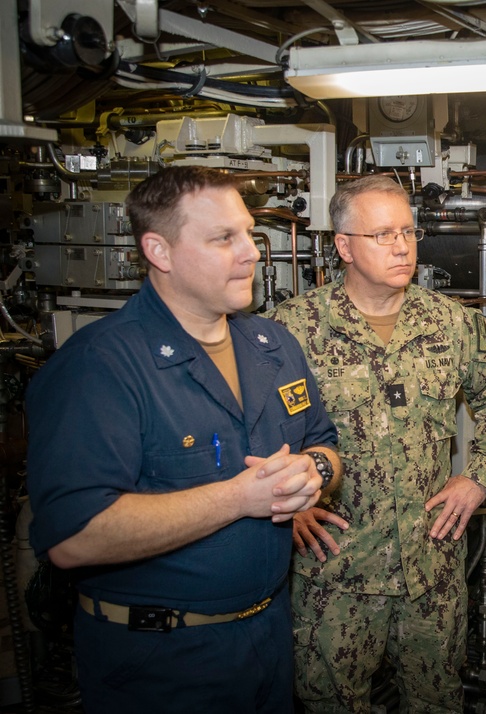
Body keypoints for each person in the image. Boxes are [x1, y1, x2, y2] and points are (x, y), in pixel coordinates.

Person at [26, 165, 342, 714]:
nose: (251, 252)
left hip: (268, 639)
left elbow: (325, 445)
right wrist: (239, 498)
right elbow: (73, 538)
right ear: (160, 251)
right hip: (160, 660)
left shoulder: (272, 343)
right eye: (224, 238)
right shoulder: (101, 366)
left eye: (248, 233)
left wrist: (313, 472)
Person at [267, 174, 486, 713]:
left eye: (407, 231)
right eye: (383, 234)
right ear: (343, 247)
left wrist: (475, 480)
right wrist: (283, 510)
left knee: (437, 701)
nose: (402, 246)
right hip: (335, 577)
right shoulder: (293, 330)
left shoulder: (452, 324)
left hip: (429, 571)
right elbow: (254, 430)